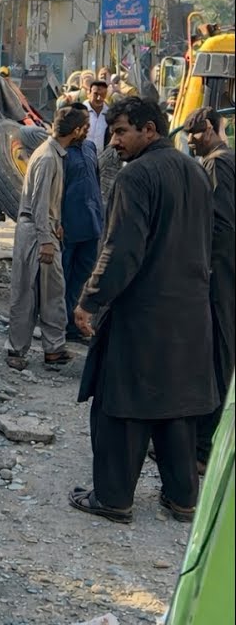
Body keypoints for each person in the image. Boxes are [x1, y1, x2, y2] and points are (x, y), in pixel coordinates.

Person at [70, 97, 217, 524]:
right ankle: (182, 499)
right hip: (190, 310)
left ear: (149, 130)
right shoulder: (195, 170)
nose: (113, 141)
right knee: (176, 406)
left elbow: (121, 251)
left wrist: (90, 301)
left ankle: (113, 499)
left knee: (122, 403)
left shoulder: (137, 177)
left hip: (144, 311)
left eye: (120, 131)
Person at [6, 110, 88, 371]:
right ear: (75, 131)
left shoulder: (53, 155)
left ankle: (54, 349)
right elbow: (38, 204)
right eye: (84, 128)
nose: (86, 132)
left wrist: (57, 226)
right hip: (36, 233)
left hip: (45, 230)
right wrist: (46, 240)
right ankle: (16, 350)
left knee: (53, 293)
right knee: (26, 294)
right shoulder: (47, 158)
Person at [184, 106, 234, 470]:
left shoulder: (217, 165)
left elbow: (220, 227)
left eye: (199, 131)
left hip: (220, 277)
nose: (191, 139)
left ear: (216, 128)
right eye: (188, 132)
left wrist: (204, 271)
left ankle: (202, 450)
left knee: (215, 355)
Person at [60, 103, 103, 343]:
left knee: (83, 277)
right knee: (63, 279)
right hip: (68, 227)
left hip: (91, 225)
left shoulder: (90, 148)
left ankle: (75, 324)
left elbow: (94, 183)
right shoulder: (60, 153)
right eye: (83, 125)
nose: (87, 129)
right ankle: (62, 325)